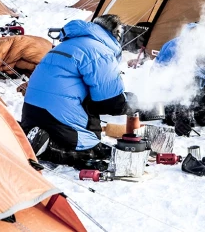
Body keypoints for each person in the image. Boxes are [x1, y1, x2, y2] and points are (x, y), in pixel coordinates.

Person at [20, 14, 136, 166]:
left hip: (31, 113)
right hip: (60, 119)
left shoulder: (69, 44)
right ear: (116, 35)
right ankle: (49, 147)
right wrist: (130, 103)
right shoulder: (100, 51)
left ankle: (29, 135)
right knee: (92, 150)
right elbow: (109, 103)